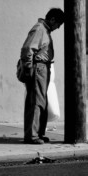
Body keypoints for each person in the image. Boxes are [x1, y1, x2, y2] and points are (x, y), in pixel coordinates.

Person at [20, 8, 65, 144]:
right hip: (38, 68)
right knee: (36, 102)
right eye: (58, 24)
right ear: (52, 19)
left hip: (43, 68)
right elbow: (27, 49)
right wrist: (28, 68)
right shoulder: (40, 29)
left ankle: (38, 133)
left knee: (41, 101)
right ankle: (32, 136)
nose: (58, 28)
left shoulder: (44, 30)